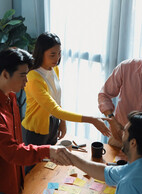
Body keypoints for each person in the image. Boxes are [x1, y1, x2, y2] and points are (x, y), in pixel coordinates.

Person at [0, 48, 70, 194]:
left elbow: (16, 144)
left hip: (13, 174)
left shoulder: (9, 95)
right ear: (5, 74)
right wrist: (49, 150)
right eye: (22, 75)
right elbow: (12, 152)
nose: (26, 81)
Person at [22, 32, 110, 173]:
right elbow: (54, 109)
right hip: (36, 130)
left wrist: (61, 122)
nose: (57, 58)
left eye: (59, 53)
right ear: (41, 53)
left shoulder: (54, 69)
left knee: (49, 167)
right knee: (33, 170)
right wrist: (91, 120)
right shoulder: (33, 78)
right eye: (52, 54)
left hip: (52, 124)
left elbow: (56, 99)